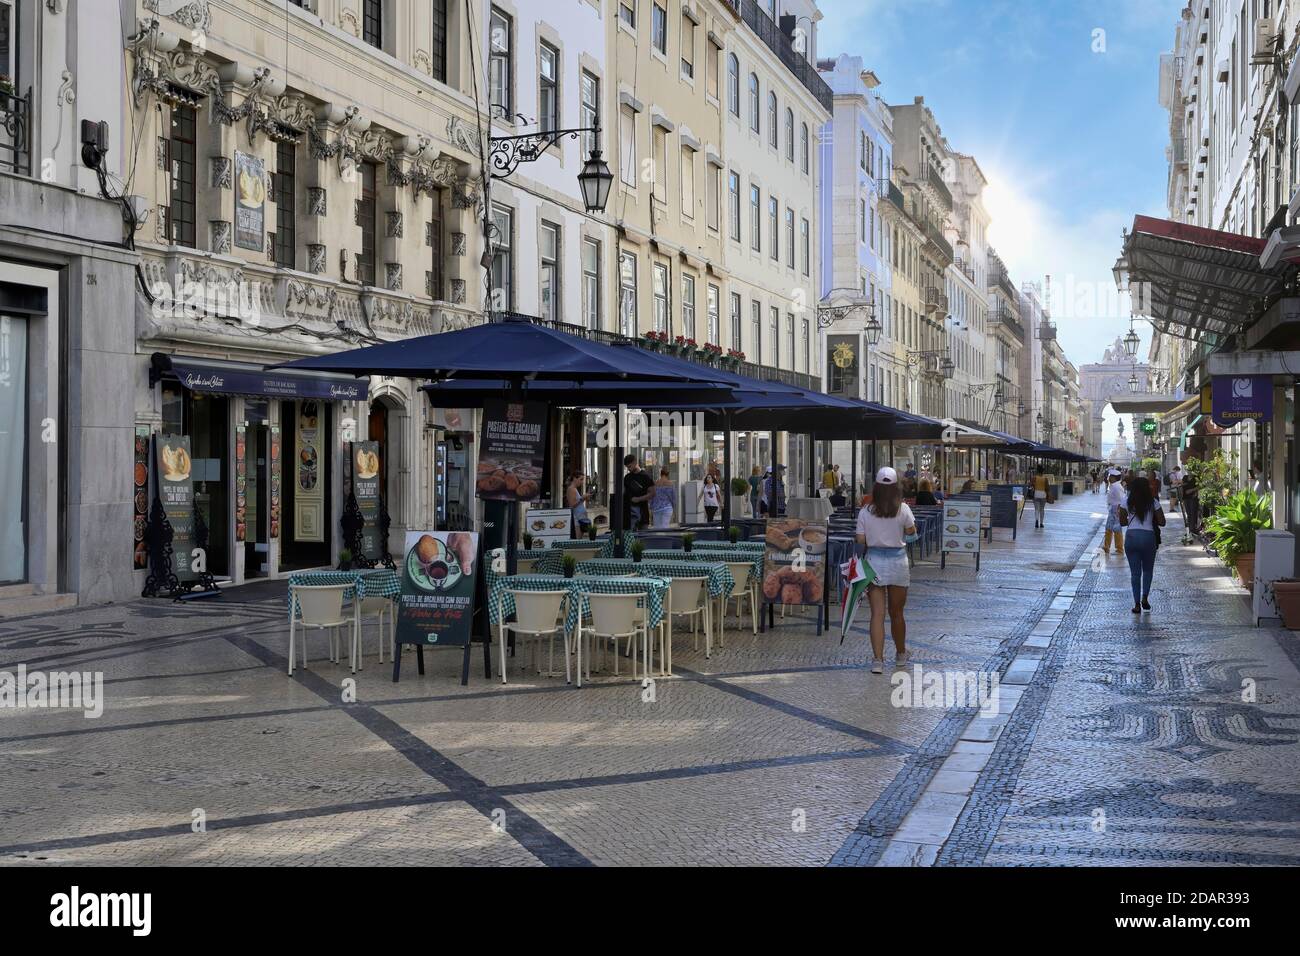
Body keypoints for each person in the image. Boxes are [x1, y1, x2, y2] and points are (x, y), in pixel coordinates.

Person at [855, 467, 917, 675]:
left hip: (873, 562)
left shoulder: (865, 511)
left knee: (877, 614)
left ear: (877, 487)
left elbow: (861, 540)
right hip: (898, 561)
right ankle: (900, 655)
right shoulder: (904, 509)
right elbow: (912, 533)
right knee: (897, 613)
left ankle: (877, 661)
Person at [1119, 474, 1165, 614]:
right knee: (1147, 570)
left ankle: (1136, 604)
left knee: (1135, 573)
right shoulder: (1153, 502)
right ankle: (1145, 597)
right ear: (1147, 488)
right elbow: (1162, 522)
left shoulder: (1126, 501)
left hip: (1132, 537)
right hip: (1148, 537)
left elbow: (1122, 522)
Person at [622, 454, 653, 530]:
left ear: (635, 463)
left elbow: (652, 493)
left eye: (630, 466)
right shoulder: (627, 478)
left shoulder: (645, 476)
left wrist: (639, 499)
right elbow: (625, 493)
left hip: (643, 513)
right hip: (630, 514)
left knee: (643, 537)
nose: (629, 469)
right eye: (627, 467)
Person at [1103, 468, 1126, 556]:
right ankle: (1106, 547)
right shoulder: (1113, 485)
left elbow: (1121, 500)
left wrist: (1119, 510)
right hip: (1112, 509)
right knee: (1108, 528)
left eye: (1110, 476)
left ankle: (1119, 549)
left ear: (1114, 477)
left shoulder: (1117, 487)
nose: (1108, 477)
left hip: (1116, 509)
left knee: (1116, 529)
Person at [1031, 464, 1051, 529]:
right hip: (1043, 495)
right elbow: (1047, 488)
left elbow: (1031, 485)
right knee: (1042, 509)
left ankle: (1036, 520)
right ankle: (1041, 523)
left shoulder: (1034, 478)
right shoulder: (1045, 479)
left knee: (1036, 509)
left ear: (1037, 471)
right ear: (1043, 471)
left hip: (1036, 494)